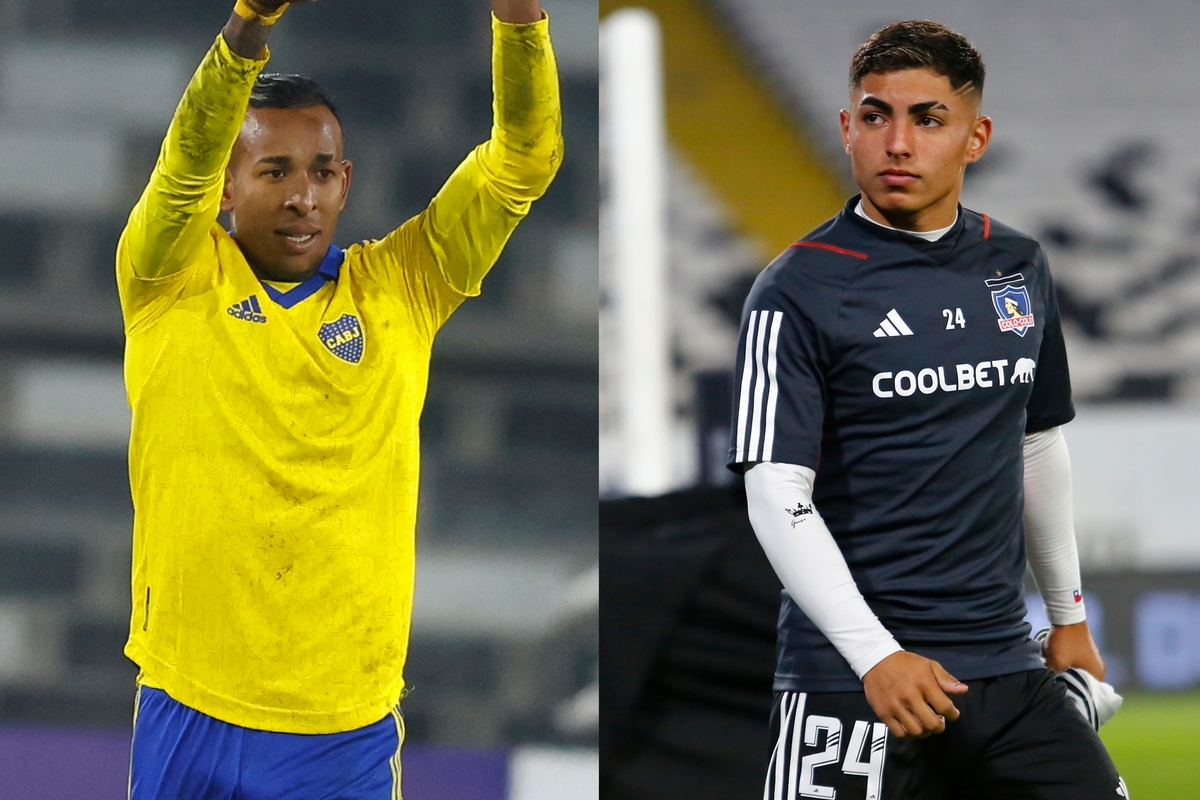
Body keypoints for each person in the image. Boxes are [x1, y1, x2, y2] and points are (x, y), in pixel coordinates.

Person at [117, 0, 561, 795]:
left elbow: (522, 160)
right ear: (225, 186)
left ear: (346, 180)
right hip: (190, 701)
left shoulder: (403, 287)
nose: (303, 197)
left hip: (342, 730)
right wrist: (248, 26)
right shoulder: (170, 276)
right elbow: (181, 165)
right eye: (275, 172)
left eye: (321, 172)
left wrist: (521, 21)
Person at [727, 20, 1128, 799]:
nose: (897, 143)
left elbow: (1036, 445)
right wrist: (875, 657)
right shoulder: (796, 290)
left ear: (975, 137)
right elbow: (776, 495)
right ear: (847, 129)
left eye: (927, 119)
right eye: (876, 116)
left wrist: (1069, 617)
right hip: (849, 682)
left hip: (1007, 671)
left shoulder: (1016, 265)